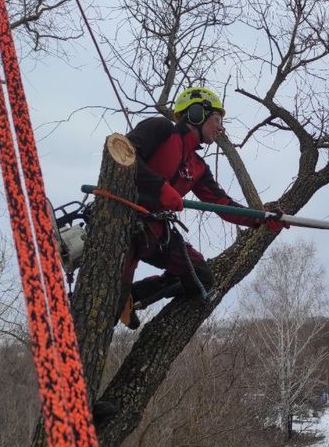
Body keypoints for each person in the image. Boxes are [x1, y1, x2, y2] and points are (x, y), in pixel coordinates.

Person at [120, 86, 286, 328]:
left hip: (155, 233)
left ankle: (133, 296)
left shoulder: (197, 166)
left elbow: (222, 203)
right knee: (107, 301)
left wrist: (259, 218)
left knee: (201, 276)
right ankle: (115, 301)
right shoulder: (161, 130)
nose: (221, 127)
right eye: (217, 120)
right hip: (124, 221)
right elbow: (123, 156)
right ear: (196, 114)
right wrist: (160, 189)